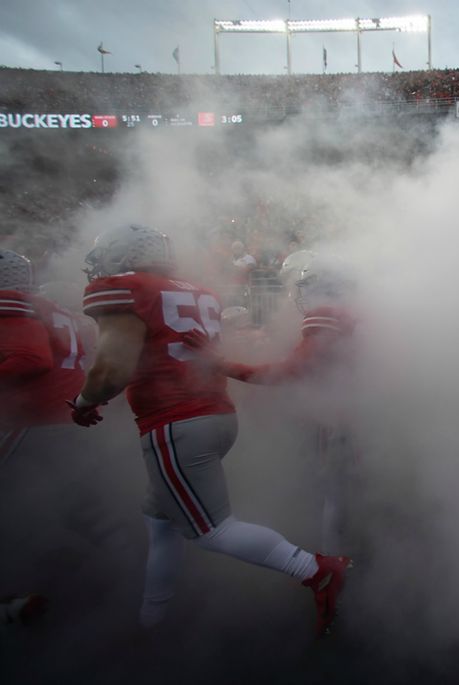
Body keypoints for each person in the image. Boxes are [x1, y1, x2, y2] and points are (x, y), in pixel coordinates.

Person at [68, 224, 351, 634]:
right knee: (160, 519)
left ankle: (316, 569)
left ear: (121, 255)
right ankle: (153, 617)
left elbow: (112, 369)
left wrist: (84, 402)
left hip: (174, 420)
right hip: (213, 413)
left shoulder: (125, 288)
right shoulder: (196, 291)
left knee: (212, 530)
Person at [185, 256, 359, 556]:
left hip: (331, 417)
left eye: (311, 286)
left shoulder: (328, 313)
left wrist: (223, 365)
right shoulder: (357, 313)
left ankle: (331, 563)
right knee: (342, 488)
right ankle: (345, 554)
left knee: (328, 492)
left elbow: (290, 372)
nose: (303, 294)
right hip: (354, 411)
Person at [1, 248, 89, 629]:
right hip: (67, 420)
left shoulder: (14, 304)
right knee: (76, 507)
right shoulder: (53, 308)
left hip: (34, 421)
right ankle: (92, 574)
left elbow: (33, 358)